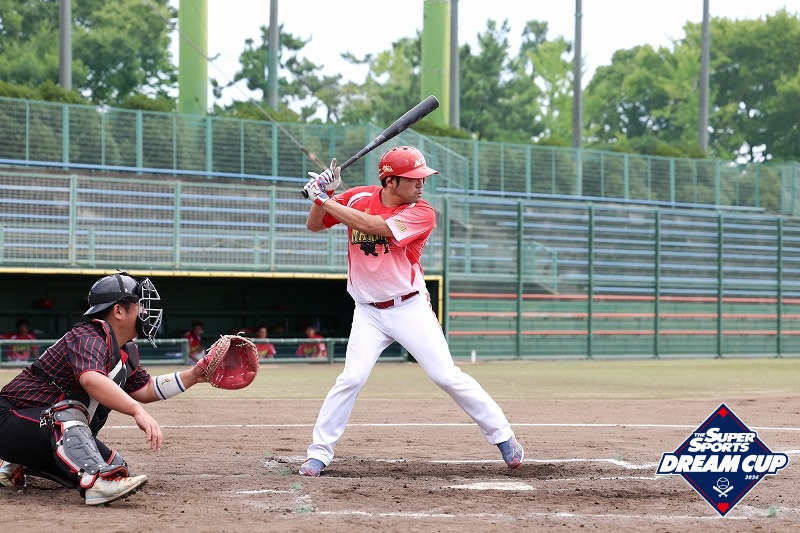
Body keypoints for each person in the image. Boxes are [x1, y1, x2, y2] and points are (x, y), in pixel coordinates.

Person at [297, 146, 524, 477]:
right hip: (368, 312)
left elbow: (373, 226)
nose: (421, 184)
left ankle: (503, 436)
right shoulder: (357, 197)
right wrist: (326, 195)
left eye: (422, 178)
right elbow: (314, 225)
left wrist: (322, 197)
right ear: (390, 181)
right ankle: (318, 454)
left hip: (409, 307)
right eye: (414, 178)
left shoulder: (422, 212)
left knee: (446, 375)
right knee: (351, 378)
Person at [0, 272, 211, 505]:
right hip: (9, 419)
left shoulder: (124, 349)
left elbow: (147, 387)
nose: (144, 311)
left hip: (36, 428)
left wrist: (195, 375)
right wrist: (136, 410)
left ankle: (19, 463)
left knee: (116, 466)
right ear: (118, 311)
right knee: (68, 418)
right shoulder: (89, 335)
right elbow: (91, 380)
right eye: (139, 305)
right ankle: (96, 485)